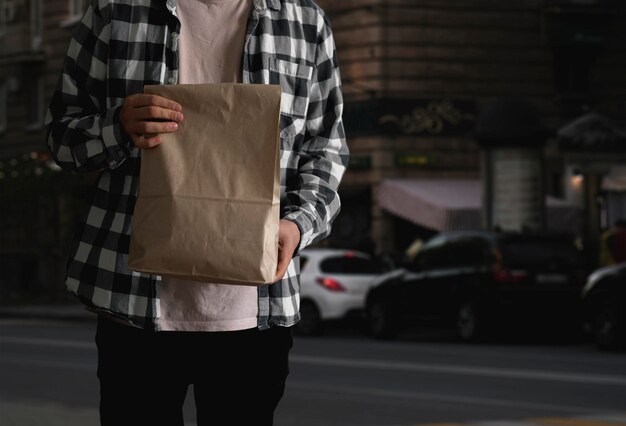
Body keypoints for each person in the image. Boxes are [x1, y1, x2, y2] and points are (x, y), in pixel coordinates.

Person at [45, 0, 348, 425]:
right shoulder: (115, 11)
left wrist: (297, 225)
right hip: (132, 303)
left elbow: (325, 151)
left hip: (257, 310)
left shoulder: (304, 20)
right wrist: (118, 126)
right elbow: (61, 138)